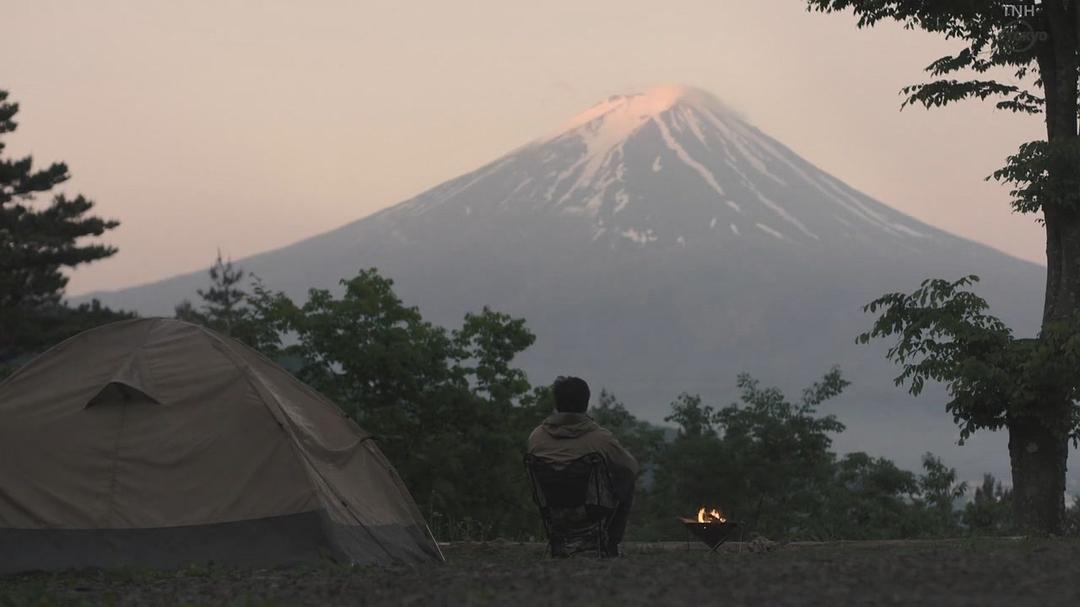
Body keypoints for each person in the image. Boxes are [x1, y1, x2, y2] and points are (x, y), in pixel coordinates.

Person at [527, 376, 639, 555]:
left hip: (553, 512)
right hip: (591, 512)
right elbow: (631, 467)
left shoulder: (536, 437)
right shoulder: (599, 438)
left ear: (556, 403)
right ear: (586, 403)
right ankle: (610, 545)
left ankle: (559, 541)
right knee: (627, 479)